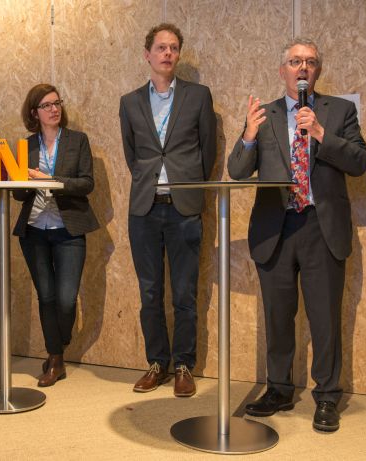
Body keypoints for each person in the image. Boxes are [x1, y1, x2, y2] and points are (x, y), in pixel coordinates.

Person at [228, 38, 366, 432]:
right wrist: (250, 136)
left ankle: (326, 397)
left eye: (309, 62)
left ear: (317, 70)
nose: (302, 67)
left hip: (320, 227)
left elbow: (359, 161)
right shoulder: (264, 113)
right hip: (276, 227)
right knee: (277, 316)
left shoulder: (339, 111)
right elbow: (238, 170)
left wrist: (323, 133)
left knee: (324, 317)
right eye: (294, 61)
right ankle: (278, 389)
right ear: (282, 71)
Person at [119, 24, 216, 396]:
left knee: (184, 293)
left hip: (184, 208)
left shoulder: (198, 96)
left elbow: (207, 151)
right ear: (148, 54)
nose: (168, 54)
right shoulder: (129, 102)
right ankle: (156, 363)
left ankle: (184, 366)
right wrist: (151, 180)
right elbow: (133, 155)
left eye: (174, 48)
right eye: (161, 47)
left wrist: (186, 184)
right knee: (149, 292)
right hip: (143, 208)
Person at [13, 84, 99, 387]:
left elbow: (86, 183)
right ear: (34, 112)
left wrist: (48, 179)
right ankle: (56, 359)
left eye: (57, 103)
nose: (54, 109)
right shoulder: (26, 146)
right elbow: (19, 195)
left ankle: (56, 346)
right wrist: (22, 180)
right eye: (47, 105)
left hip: (69, 228)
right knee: (46, 296)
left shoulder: (78, 141)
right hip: (34, 230)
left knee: (64, 299)